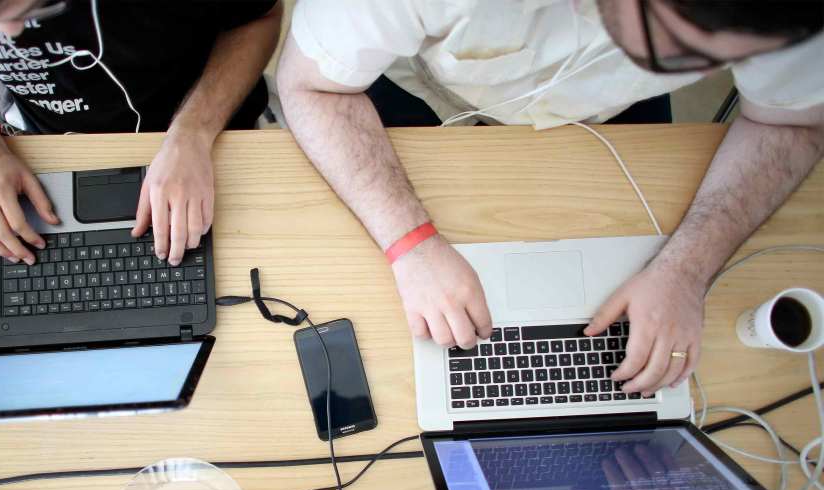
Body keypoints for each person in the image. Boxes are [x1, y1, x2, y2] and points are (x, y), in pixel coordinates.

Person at [277, 0, 824, 396]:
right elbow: (308, 86)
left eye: (720, 61)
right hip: (421, 92)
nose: (697, 73)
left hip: (610, 121)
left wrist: (686, 270)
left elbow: (793, 124)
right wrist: (413, 245)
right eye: (676, 44)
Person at [0, 0, 282, 267]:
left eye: (30, 8)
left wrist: (192, 133)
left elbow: (260, 17)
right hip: (36, 143)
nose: (11, 33)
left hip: (200, 122)